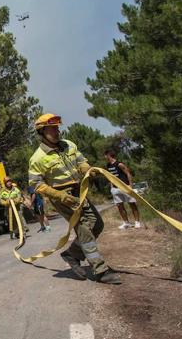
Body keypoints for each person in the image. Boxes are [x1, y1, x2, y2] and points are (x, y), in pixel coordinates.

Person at [28, 113, 120, 284]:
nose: (56, 132)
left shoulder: (69, 145)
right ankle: (100, 270)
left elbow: (81, 162)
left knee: (97, 225)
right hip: (62, 198)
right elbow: (37, 185)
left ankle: (72, 254)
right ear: (41, 132)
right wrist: (61, 196)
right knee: (84, 229)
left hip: (80, 191)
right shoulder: (37, 158)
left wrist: (88, 170)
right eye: (52, 129)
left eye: (57, 128)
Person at [104, 150, 141, 229]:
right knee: (119, 206)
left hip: (125, 187)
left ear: (108, 155)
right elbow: (111, 177)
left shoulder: (119, 164)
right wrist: (111, 188)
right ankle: (126, 223)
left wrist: (130, 186)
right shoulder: (108, 165)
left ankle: (137, 222)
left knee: (132, 204)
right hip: (115, 189)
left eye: (105, 155)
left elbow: (128, 173)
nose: (104, 157)